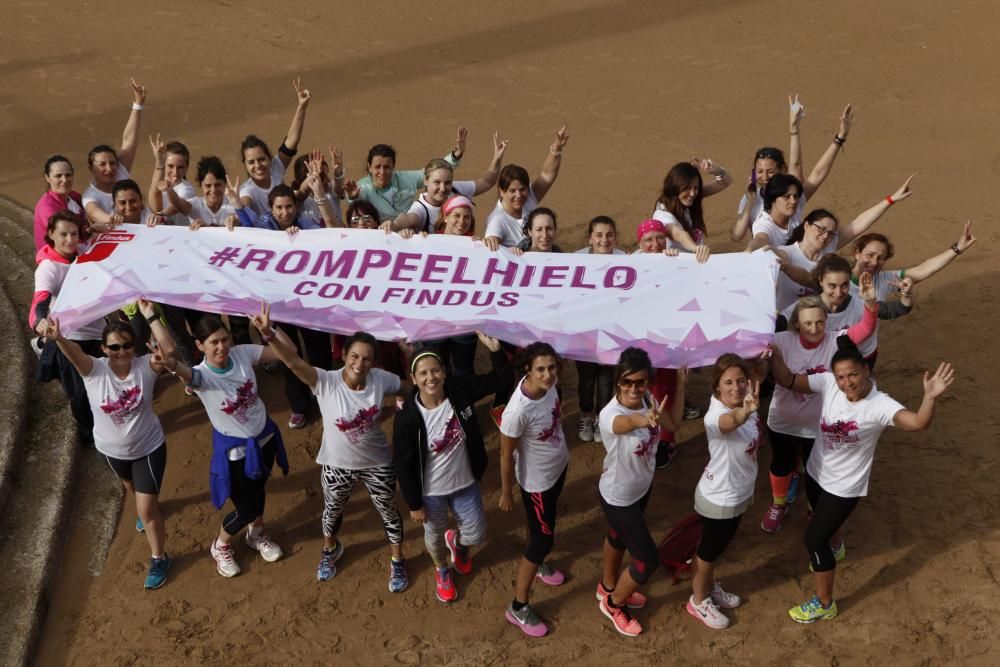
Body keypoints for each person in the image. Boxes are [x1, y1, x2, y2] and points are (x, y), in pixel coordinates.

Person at [768, 338, 954, 622]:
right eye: (841, 376)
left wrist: (929, 398)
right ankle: (837, 545)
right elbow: (789, 380)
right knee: (820, 520)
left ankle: (824, 603)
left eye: (853, 374)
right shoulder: (829, 383)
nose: (847, 382)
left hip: (844, 487)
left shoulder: (880, 405)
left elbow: (917, 423)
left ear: (866, 370)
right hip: (816, 471)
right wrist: (775, 353)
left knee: (814, 539)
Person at [250, 304, 411, 592]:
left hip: (377, 463)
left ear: (374, 362)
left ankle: (398, 560)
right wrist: (270, 334)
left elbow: (410, 389)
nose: (360, 364)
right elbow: (294, 363)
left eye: (367, 359)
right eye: (355, 357)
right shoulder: (325, 381)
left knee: (388, 511)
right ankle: (330, 549)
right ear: (344, 355)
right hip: (336, 464)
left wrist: (416, 364)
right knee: (332, 511)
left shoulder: (381, 381)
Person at [42, 300, 176, 589]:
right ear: (103, 349)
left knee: (148, 510)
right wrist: (59, 338)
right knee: (130, 488)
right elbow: (75, 354)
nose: (121, 352)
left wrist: (150, 315)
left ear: (134, 346)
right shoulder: (94, 371)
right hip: (110, 452)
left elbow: (170, 352)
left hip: (149, 448)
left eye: (126, 345)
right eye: (114, 347)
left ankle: (159, 557)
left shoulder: (146, 367)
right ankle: (144, 506)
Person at [169, 315, 289, 578]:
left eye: (224, 339)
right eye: (214, 342)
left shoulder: (243, 353)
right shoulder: (201, 377)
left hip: (264, 440)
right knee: (246, 507)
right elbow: (179, 369)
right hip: (235, 453)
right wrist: (154, 321)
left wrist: (268, 331)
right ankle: (221, 544)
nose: (221, 346)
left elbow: (286, 354)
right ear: (200, 346)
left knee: (258, 490)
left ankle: (256, 535)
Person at [392, 335, 508, 603]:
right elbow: (403, 463)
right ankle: (442, 569)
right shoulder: (407, 417)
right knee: (433, 538)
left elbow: (500, 381)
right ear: (413, 378)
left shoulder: (460, 390)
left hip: (465, 483)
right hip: (430, 494)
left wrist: (496, 351)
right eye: (423, 373)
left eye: (435, 371)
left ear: (444, 372)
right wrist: (413, 503)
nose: (430, 378)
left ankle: (459, 545)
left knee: (476, 531)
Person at [762, 276, 879, 534]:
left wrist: (870, 305)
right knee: (781, 464)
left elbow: (865, 330)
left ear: (826, 322)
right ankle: (779, 503)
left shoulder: (836, 340)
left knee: (816, 472)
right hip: (783, 420)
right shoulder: (780, 340)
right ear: (796, 325)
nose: (814, 329)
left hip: (819, 425)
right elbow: (749, 340)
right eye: (807, 323)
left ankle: (814, 510)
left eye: (819, 322)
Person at [596, 348, 686, 637]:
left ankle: (607, 586)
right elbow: (627, 423)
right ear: (617, 381)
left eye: (640, 381)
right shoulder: (611, 414)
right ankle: (614, 603)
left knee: (616, 536)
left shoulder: (649, 399)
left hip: (640, 488)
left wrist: (681, 385)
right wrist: (644, 419)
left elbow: (673, 424)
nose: (634, 388)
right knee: (647, 561)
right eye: (627, 382)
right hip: (618, 496)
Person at [499, 343, 570, 637]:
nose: (548, 374)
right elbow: (505, 454)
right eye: (540, 369)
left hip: (557, 468)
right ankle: (518, 606)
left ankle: (538, 564)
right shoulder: (517, 411)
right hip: (536, 483)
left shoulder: (550, 387)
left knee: (540, 529)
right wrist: (506, 492)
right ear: (527, 370)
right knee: (542, 540)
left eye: (551, 367)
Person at [686, 354, 762, 630]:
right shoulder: (715, 415)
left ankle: (708, 587)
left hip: (736, 492)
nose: (736, 387)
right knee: (707, 553)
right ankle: (698, 600)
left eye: (741, 380)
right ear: (716, 387)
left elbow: (760, 373)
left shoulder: (745, 400)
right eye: (727, 382)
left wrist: (765, 356)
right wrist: (745, 412)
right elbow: (730, 423)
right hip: (720, 498)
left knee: (713, 549)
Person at [774, 179, 914, 311]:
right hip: (785, 325)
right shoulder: (785, 253)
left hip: (817, 327)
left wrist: (891, 200)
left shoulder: (828, 248)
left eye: (830, 233)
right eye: (821, 229)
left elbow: (860, 223)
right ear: (806, 225)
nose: (825, 236)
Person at [30, 211, 109, 445]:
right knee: (81, 395)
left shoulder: (84, 252)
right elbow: (39, 303)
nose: (69, 239)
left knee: (106, 383)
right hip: (69, 338)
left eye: (74, 234)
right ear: (51, 234)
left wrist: (98, 233)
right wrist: (39, 322)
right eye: (63, 234)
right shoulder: (48, 268)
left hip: (97, 332)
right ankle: (90, 438)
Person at [732, 98, 853, 242]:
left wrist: (840, 138)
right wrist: (751, 201)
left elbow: (815, 173)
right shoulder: (750, 198)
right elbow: (736, 236)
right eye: (759, 171)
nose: (765, 177)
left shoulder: (793, 196)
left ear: (783, 170)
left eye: (770, 171)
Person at [385, 133, 507, 233]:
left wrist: (496, 159)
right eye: (437, 182)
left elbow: (487, 181)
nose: (443, 188)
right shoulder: (421, 209)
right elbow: (407, 219)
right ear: (426, 181)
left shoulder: (455, 190)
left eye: (447, 182)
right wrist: (394, 225)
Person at [573, 216, 625, 443]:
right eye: (599, 235)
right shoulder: (575, 260)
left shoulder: (626, 260)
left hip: (611, 335)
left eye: (609, 235)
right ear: (590, 238)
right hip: (583, 334)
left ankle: (601, 419)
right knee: (586, 379)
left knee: (605, 380)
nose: (605, 240)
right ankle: (586, 415)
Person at [345, 127, 468, 221]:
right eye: (377, 167)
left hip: (410, 233)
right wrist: (353, 197)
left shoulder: (406, 178)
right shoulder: (363, 187)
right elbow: (356, 207)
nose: (382, 172)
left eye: (387, 167)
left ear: (394, 166)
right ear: (369, 167)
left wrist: (455, 156)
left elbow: (434, 172)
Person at [849, 222, 977, 308]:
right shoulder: (838, 278)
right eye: (870, 255)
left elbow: (923, 270)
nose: (874, 262)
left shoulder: (885, 281)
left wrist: (957, 249)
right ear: (857, 253)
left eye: (881, 258)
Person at [484, 126, 569, 249]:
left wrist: (556, 147)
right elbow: (491, 249)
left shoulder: (528, 197)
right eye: (512, 191)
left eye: (523, 189)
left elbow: (547, 174)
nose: (519, 195)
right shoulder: (496, 221)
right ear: (501, 191)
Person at [237, 77, 311, 215]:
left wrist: (301, 107)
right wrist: (238, 210)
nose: (258, 165)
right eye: (251, 162)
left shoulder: (275, 168)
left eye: (261, 159)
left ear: (270, 159)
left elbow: (292, 141)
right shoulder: (247, 190)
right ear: (245, 164)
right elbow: (244, 205)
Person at [82, 78, 146, 232]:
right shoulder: (90, 196)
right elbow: (93, 212)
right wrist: (112, 219)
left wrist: (138, 105)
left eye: (112, 162)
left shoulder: (120, 171)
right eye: (102, 164)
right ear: (91, 168)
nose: (109, 168)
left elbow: (129, 140)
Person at [651, 159, 732, 257]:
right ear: (675, 187)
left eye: (695, 187)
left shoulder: (686, 199)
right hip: (678, 265)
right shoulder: (662, 214)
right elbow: (679, 234)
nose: (693, 193)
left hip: (695, 261)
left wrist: (715, 170)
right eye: (687, 188)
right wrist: (695, 248)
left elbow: (726, 182)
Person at [33, 155, 86, 252]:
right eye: (58, 176)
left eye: (68, 175)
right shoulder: (46, 207)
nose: (65, 180)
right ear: (47, 178)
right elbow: (66, 240)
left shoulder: (75, 196)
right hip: (60, 260)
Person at [146, 134, 197, 226]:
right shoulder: (158, 183)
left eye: (180, 167)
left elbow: (176, 207)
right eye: (170, 166)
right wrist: (159, 161)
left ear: (186, 168)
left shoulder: (187, 189)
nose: (175, 172)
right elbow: (155, 206)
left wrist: (160, 215)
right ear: (164, 165)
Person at [292, 147, 346, 227]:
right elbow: (300, 195)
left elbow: (339, 189)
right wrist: (313, 177)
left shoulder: (330, 190)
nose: (328, 180)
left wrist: (338, 173)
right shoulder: (295, 198)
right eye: (323, 177)